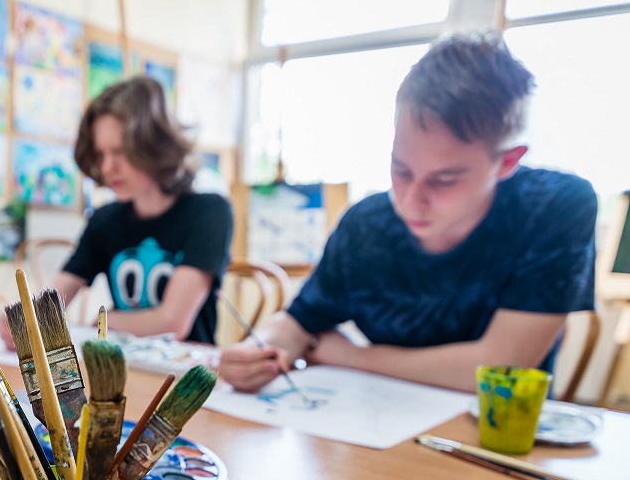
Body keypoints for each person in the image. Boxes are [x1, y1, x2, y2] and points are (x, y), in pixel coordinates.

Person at [220, 31, 596, 393]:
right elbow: (297, 323)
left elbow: (500, 367)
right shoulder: (365, 224)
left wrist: (352, 356)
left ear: (507, 162)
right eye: (400, 170)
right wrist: (258, 350)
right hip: (373, 421)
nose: (411, 200)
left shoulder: (555, 206)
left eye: (445, 180)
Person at [0, 75, 233, 347]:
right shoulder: (105, 218)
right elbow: (52, 302)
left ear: (155, 145)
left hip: (189, 367)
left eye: (119, 151)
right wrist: (28, 323)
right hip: (126, 364)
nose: (107, 167)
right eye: (100, 155)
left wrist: (100, 323)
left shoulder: (210, 212)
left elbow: (172, 323)